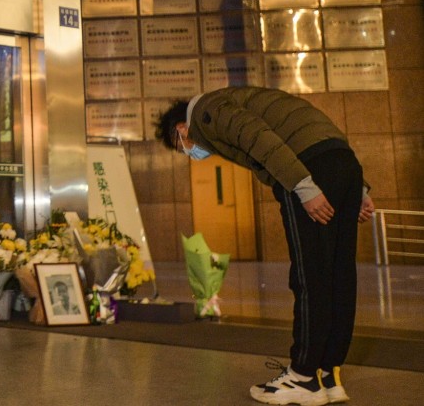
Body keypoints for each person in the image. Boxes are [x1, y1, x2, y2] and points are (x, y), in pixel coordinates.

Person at [156, 87, 374, 406]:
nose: (191, 152)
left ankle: (302, 377)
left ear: (181, 129)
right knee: (339, 274)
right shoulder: (244, 98)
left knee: (310, 274)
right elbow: (320, 131)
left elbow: (257, 137)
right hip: (342, 164)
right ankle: (327, 375)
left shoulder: (208, 111)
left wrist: (303, 187)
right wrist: (359, 188)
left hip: (306, 168)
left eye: (183, 146)